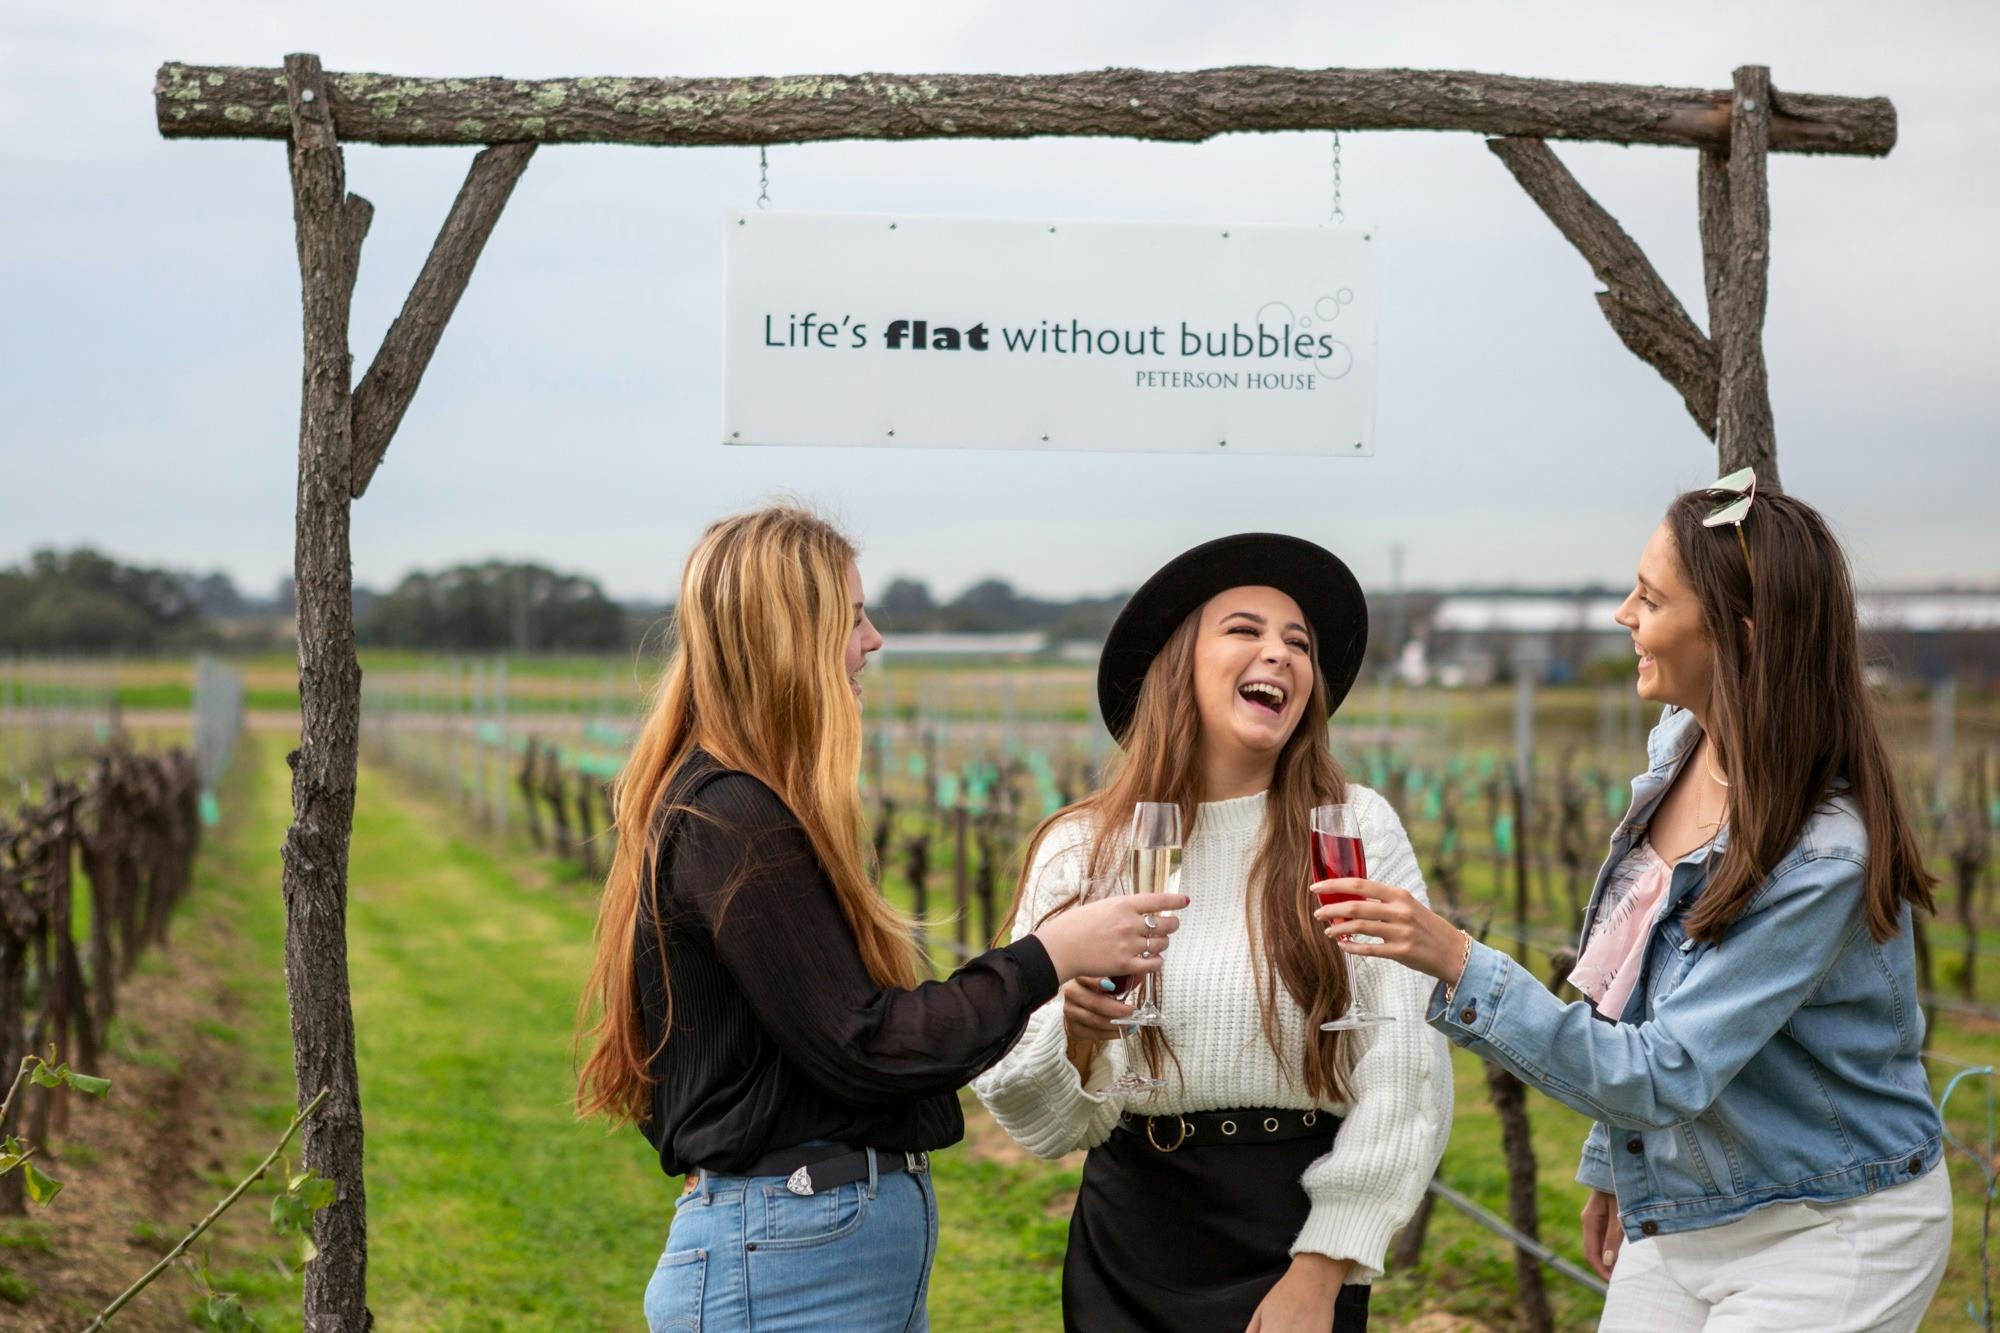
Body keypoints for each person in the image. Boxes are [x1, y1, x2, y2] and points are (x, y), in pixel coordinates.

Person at [1316, 477, 1950, 1331]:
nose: (1624, 614)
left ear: (1738, 635)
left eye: (1650, 598)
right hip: (1688, 1206)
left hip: (1830, 1222)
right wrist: (1619, 1162)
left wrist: (1457, 959)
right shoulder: (1679, 749)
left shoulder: (1824, 857)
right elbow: (1640, 984)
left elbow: (1667, 1069)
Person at [573, 504, 1185, 1333]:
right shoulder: (735, 818)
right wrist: (1046, 956)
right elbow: (869, 1044)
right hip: (793, 1260)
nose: (874, 639)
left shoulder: (741, 805)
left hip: (805, 1249)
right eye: (853, 615)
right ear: (791, 633)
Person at [974, 533, 1453, 1333]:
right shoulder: (1085, 847)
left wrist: (1323, 1266)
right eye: (1246, 629)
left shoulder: (1354, 828)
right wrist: (1080, 1033)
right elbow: (1038, 1115)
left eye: (1298, 642)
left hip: (1295, 1230)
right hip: (1129, 1239)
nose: (1281, 654)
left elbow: (1408, 1063)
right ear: (1178, 664)